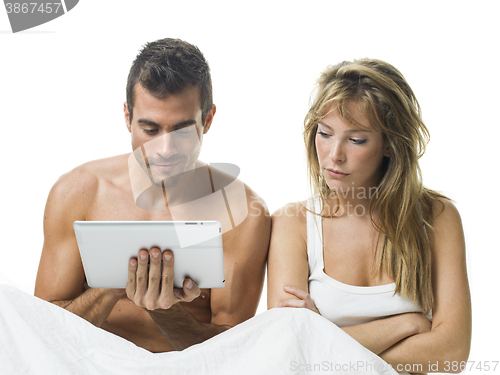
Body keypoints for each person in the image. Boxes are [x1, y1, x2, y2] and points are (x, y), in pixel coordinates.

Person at [34, 38, 270, 352]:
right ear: (127, 118)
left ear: (208, 120)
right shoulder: (77, 193)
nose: (165, 150)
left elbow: (233, 352)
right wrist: (109, 289)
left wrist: (164, 310)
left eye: (182, 130)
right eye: (150, 129)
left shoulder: (242, 212)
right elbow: (40, 331)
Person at [267, 59, 471, 373]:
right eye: (325, 133)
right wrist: (407, 324)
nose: (335, 154)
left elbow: (453, 353)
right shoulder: (293, 223)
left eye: (356, 139)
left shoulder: (438, 217)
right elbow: (292, 356)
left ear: (389, 145)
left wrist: (329, 344)